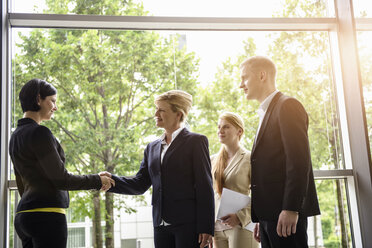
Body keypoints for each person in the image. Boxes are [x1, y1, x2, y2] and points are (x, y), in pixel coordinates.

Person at [9, 78, 115, 248]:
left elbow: (22, 183)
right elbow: (61, 179)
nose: (55, 107)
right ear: (38, 99)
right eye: (52, 101)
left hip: (24, 217)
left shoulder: (15, 136)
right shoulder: (40, 133)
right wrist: (97, 180)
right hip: (47, 217)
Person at [105, 90, 214, 248]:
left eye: (161, 110)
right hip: (160, 224)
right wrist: (111, 181)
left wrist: (206, 227)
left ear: (178, 114)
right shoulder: (152, 147)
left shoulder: (196, 142)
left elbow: (205, 186)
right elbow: (140, 183)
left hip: (188, 224)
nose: (156, 113)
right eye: (156, 109)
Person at [239, 56, 320, 248]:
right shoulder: (267, 111)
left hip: (285, 215)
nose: (240, 85)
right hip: (271, 216)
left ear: (262, 75)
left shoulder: (287, 106)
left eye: (244, 78)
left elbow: (299, 162)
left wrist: (291, 208)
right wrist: (261, 217)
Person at [211, 112, 259, 248]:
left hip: (241, 226)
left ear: (239, 131)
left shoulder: (250, 158)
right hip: (217, 228)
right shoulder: (212, 160)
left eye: (226, 127)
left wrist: (240, 216)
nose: (220, 131)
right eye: (219, 127)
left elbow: (261, 194)